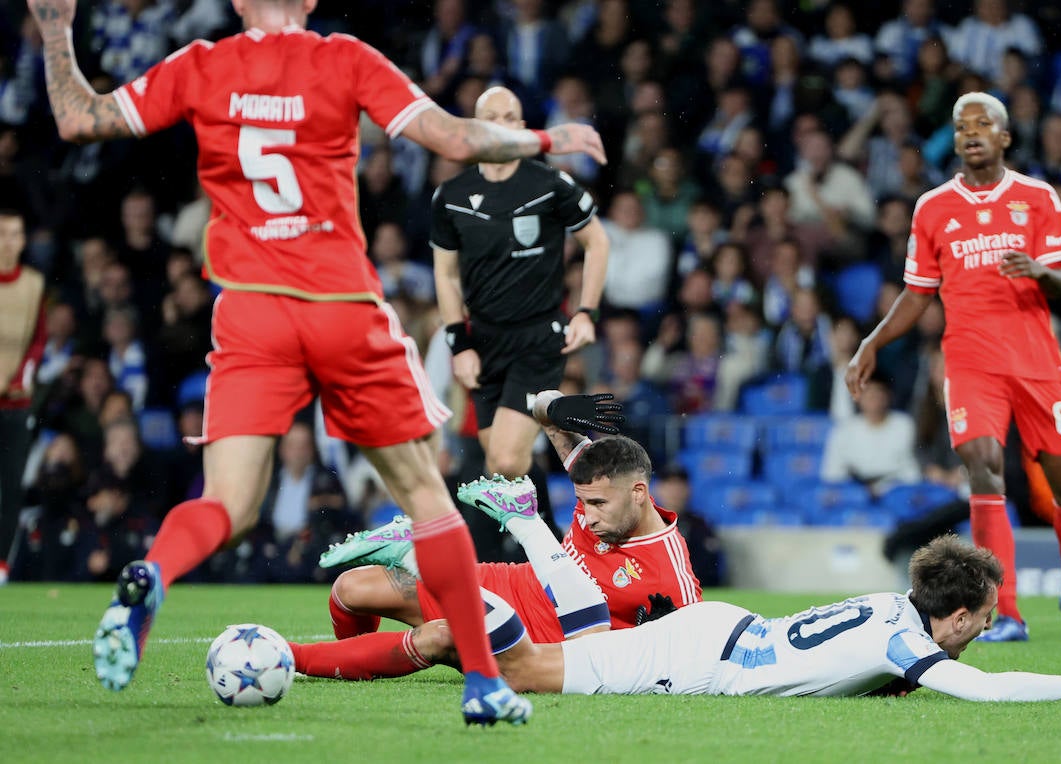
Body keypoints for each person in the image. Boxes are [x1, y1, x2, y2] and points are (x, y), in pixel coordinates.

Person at [30, 0, 606, 725]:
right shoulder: (344, 59)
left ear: (239, 1)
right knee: (427, 498)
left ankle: (155, 571)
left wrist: (55, 27)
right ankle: (484, 685)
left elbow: (82, 118)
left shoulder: (201, 66)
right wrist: (545, 137)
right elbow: (454, 137)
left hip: (248, 307)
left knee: (228, 505)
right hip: (338, 304)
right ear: (307, 0)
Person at [845, 92, 1061, 643]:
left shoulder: (1036, 197)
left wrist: (1036, 268)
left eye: (984, 123)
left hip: (1035, 359)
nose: (971, 132)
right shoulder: (933, 206)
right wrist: (871, 341)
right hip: (969, 359)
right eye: (962, 125)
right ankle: (1006, 613)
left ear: (1005, 137)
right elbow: (917, 296)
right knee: (984, 469)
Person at [290, 391, 701, 679]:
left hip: (539, 639)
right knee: (350, 589)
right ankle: (354, 669)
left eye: (598, 506)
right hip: (511, 581)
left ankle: (291, 659)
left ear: (639, 493)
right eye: (583, 503)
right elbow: (541, 410)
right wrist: (555, 405)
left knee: (438, 636)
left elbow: (689, 651)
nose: (588, 517)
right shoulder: (601, 478)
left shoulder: (670, 571)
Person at [486, 535, 1061, 702]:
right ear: (958, 616)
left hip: (719, 635)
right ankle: (468, 559)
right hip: (701, 660)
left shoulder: (891, 606)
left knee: (562, 654)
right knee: (523, 673)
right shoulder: (903, 642)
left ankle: (455, 610)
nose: (990, 629)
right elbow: (985, 690)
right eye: (988, 618)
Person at [432, 86, 609, 491]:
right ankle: (549, 540)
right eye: (492, 117)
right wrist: (460, 346)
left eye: (510, 118)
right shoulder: (450, 196)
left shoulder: (549, 184)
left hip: (537, 337)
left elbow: (597, 241)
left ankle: (545, 541)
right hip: (484, 339)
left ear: (523, 128)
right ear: (476, 127)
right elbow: (446, 275)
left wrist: (587, 311)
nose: (501, 126)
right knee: (502, 468)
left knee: (505, 459)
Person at [0, 209, 45, 584]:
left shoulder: (33, 285)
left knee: (10, 484)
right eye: (2, 234)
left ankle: (0, 564)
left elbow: (38, 338)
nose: (8, 242)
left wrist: (23, 374)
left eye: (15, 234)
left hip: (15, 402)